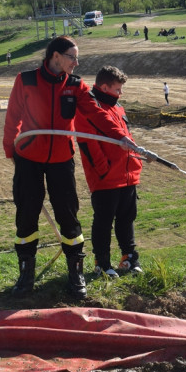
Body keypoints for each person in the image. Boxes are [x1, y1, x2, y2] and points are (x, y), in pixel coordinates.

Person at [2, 36, 142, 299]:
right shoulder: (26, 80)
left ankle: (75, 274)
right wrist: (11, 150)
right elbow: (13, 117)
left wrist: (120, 137)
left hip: (61, 161)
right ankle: (26, 275)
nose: (76, 63)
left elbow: (96, 113)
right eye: (72, 57)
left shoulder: (77, 86)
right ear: (56, 56)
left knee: (68, 217)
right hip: (29, 160)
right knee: (26, 216)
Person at [74, 66, 144, 280]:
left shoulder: (117, 107)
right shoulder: (89, 108)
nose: (120, 94)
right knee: (104, 221)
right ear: (104, 87)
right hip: (105, 178)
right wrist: (103, 171)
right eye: (117, 89)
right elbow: (88, 144)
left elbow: (126, 136)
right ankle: (102, 262)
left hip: (127, 174)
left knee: (127, 218)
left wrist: (136, 161)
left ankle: (129, 257)